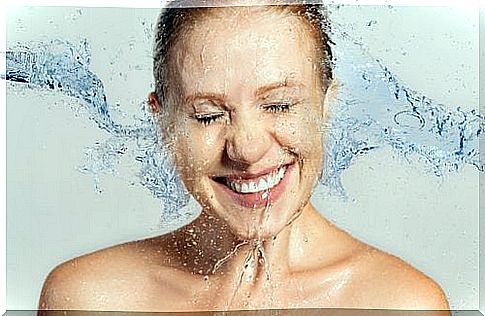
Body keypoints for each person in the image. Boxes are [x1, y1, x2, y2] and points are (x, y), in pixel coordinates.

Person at [38, 0, 450, 312]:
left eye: (280, 105)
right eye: (208, 115)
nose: (247, 150)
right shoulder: (88, 299)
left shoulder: (401, 303)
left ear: (325, 107)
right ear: (164, 124)